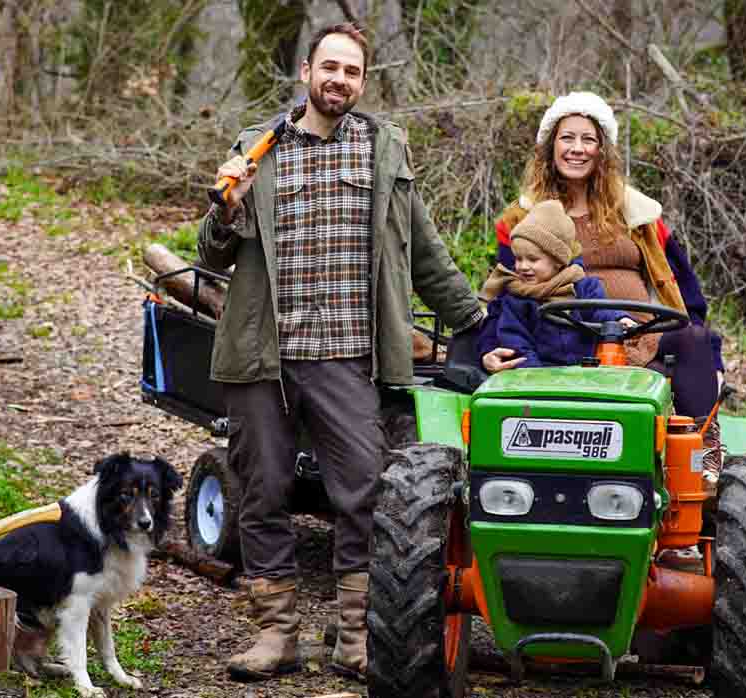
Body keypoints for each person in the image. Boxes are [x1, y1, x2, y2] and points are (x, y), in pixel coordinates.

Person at [196, 23, 483, 682]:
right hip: (263, 353)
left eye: (352, 72)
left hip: (349, 355)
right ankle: (277, 635)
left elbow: (425, 251)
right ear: (305, 72)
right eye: (330, 68)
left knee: (364, 494)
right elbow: (209, 255)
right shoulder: (255, 149)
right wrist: (227, 209)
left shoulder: (383, 150)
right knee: (262, 492)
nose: (340, 81)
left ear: (362, 80)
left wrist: (474, 323)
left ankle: (356, 635)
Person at [479, 91, 725, 480]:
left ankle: (701, 463)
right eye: (567, 138)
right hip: (562, 342)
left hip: (639, 337)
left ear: (602, 150)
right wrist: (490, 349)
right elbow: (507, 290)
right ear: (550, 147)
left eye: (588, 139)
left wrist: (690, 333)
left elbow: (684, 288)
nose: (577, 149)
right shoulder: (522, 219)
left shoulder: (639, 215)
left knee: (694, 339)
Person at [477, 199, 634, 366]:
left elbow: (601, 312)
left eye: (532, 259)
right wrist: (534, 375)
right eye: (518, 258)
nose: (523, 266)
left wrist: (619, 319)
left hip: (586, 372)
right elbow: (515, 341)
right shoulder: (517, 299)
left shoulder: (585, 287)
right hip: (539, 376)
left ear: (558, 261)